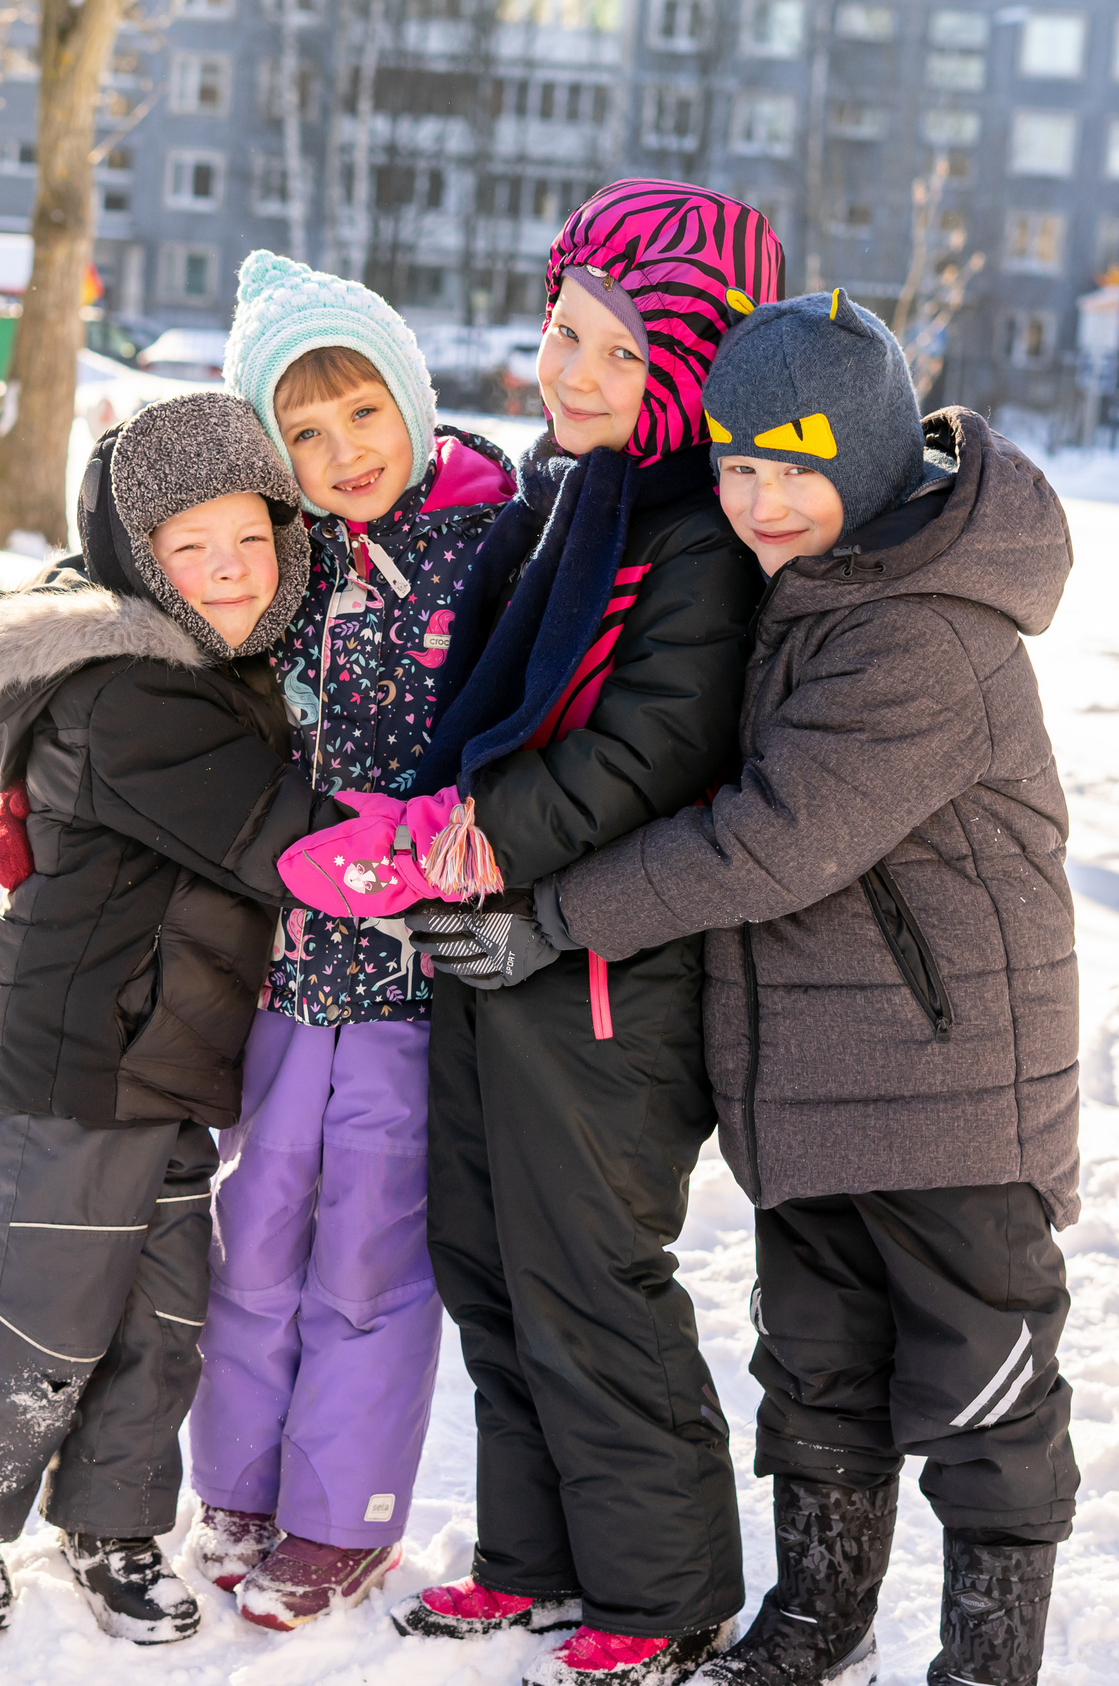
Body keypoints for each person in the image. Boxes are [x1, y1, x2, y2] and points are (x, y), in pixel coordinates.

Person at [457, 291, 1084, 1686]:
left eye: (797, 468)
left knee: (982, 1390)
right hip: (810, 1082)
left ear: (869, 460)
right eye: (737, 464)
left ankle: (987, 1661)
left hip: (947, 1092)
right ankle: (813, 1623)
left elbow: (774, 837)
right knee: (815, 1374)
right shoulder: (818, 591)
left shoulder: (922, 630)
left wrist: (557, 915)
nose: (759, 500)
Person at [374, 180, 786, 1686]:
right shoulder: (563, 497)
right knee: (486, 1262)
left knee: (590, 1277)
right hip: (492, 955)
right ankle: (536, 1560)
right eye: (564, 332)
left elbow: (656, 745)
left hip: (609, 977)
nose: (576, 373)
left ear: (692, 369)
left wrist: (477, 837)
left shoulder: (696, 532)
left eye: (624, 351)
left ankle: (665, 1591)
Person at [0, 390, 363, 1643]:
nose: (231, 569)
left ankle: (111, 1523)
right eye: (192, 547)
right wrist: (448, 850)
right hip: (76, 1063)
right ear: (136, 562)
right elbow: (283, 840)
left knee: (162, 1315)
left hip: (163, 1059)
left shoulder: (223, 670)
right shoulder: (129, 695)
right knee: (49, 1304)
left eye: (252, 538)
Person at [182, 251, 517, 1632]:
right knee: (254, 1235)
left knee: (368, 1257)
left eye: (363, 412)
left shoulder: (494, 544)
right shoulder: (286, 561)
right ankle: (237, 1488)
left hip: (413, 985)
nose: (344, 453)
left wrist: (436, 832)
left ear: (412, 399)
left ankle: (341, 1513)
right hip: (282, 976)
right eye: (305, 433)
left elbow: (538, 727)